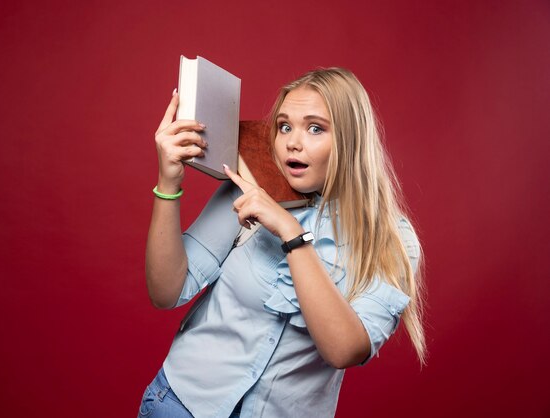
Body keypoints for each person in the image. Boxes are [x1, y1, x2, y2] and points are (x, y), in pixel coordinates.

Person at [140, 67, 426, 418]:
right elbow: (166, 291)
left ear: (351, 141)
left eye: (316, 128)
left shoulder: (392, 240)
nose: (292, 141)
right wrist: (168, 184)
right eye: (284, 126)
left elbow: (345, 350)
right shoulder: (249, 188)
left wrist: (291, 233)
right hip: (181, 404)